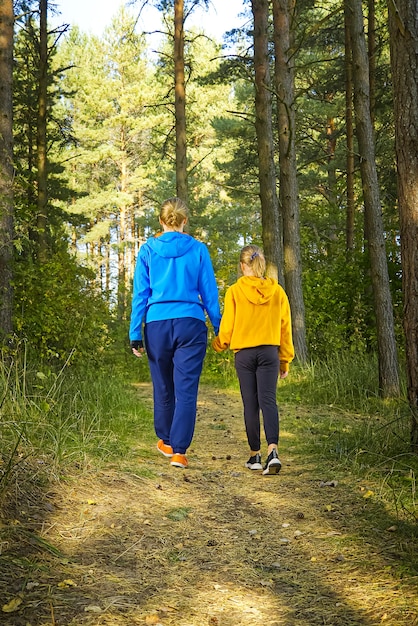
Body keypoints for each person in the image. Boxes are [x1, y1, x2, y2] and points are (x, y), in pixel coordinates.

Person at [129, 197, 221, 469]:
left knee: (163, 385)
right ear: (185, 221)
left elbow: (140, 295)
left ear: (161, 220)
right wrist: (220, 327)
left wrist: (136, 332)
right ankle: (179, 451)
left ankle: (166, 441)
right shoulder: (198, 249)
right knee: (186, 388)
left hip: (157, 324)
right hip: (190, 324)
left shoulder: (147, 250)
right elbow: (209, 291)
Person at [212, 245, 294, 475]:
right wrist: (284, 360)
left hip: (245, 354)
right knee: (269, 401)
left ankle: (254, 456)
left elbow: (227, 326)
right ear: (262, 265)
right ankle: (273, 452)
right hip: (269, 352)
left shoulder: (234, 292)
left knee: (251, 404)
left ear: (242, 266)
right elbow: (285, 328)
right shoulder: (277, 292)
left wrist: (219, 344)